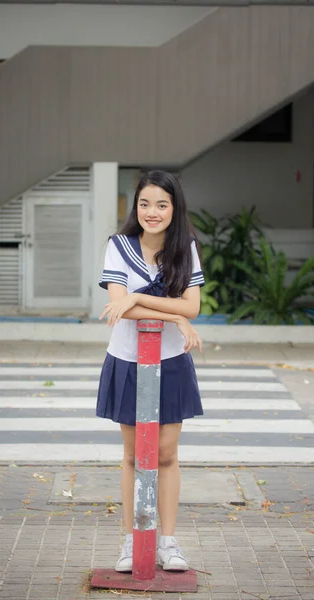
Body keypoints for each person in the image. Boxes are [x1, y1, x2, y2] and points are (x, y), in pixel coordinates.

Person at [96, 170, 204, 573]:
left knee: (166, 454)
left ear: (174, 208)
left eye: (161, 204)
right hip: (126, 359)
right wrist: (174, 315)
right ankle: (131, 541)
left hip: (172, 363)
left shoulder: (185, 249)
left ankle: (168, 542)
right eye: (144, 203)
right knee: (130, 455)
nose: (152, 212)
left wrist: (139, 297)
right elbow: (115, 309)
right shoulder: (118, 246)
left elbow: (192, 307)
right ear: (135, 206)